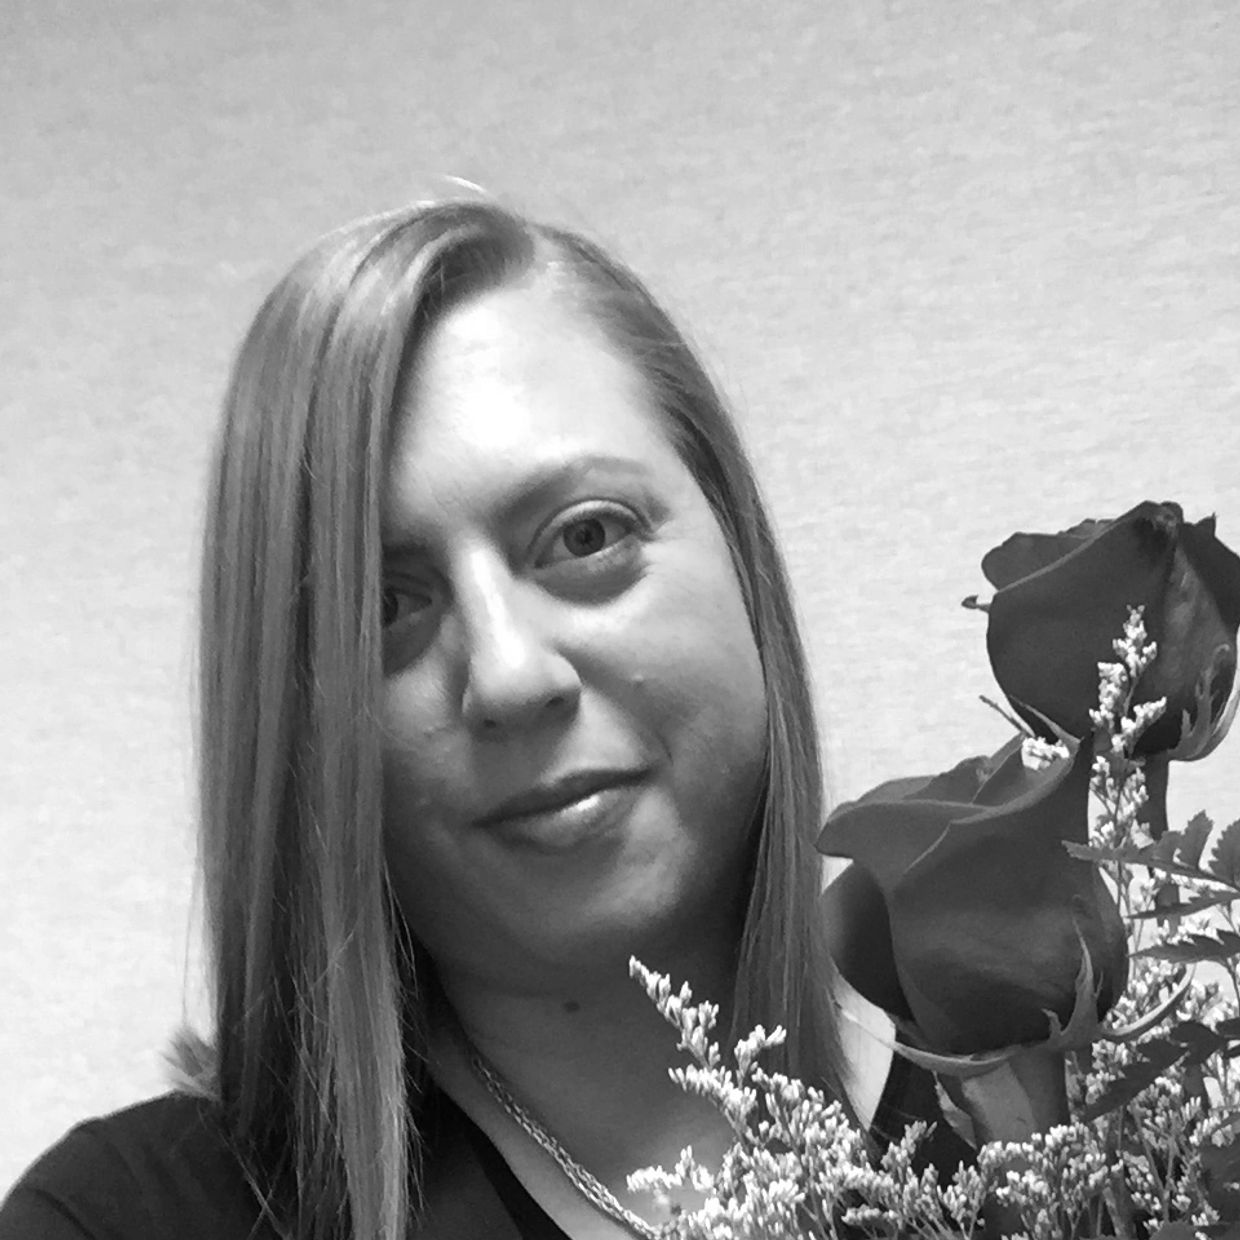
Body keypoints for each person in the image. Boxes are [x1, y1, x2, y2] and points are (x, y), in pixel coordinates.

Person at [0, 201, 961, 1240]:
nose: (508, 676)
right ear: (295, 722)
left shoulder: (1060, 1086)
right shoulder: (121, 1220)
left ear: (738, 545)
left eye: (585, 535)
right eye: (381, 608)